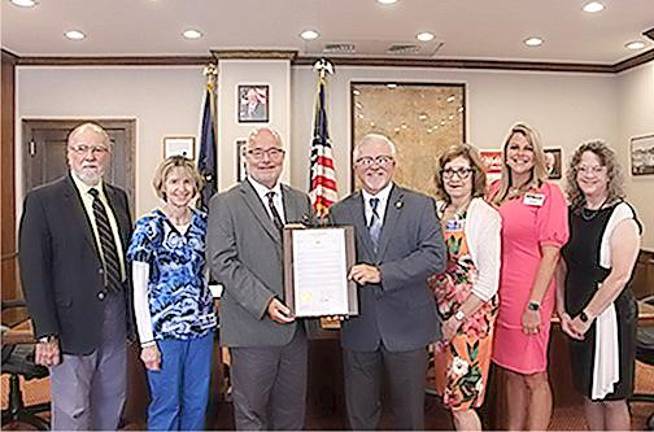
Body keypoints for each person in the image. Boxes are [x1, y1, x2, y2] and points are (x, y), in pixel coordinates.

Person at [18, 122, 133, 430]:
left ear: (108, 155)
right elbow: (33, 271)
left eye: (97, 149)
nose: (89, 156)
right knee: (73, 410)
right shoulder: (43, 200)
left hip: (115, 316)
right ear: (68, 155)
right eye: (81, 149)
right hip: (69, 325)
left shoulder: (119, 199)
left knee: (111, 401)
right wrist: (45, 332)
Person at [329, 133, 446, 430]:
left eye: (381, 159)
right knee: (360, 415)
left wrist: (382, 273)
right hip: (359, 328)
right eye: (366, 160)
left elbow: (435, 257)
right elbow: (332, 264)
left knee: (409, 416)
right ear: (355, 166)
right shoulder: (339, 211)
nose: (374, 167)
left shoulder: (420, 205)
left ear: (393, 165)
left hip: (408, 327)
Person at [207, 127, 313, 430]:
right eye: (257, 152)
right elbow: (221, 262)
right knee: (251, 415)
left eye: (273, 152)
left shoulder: (300, 201)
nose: (265, 159)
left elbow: (314, 253)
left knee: (292, 416)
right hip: (251, 329)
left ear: (282, 156)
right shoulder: (225, 202)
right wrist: (265, 301)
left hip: (296, 331)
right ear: (245, 157)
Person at [127, 156, 217, 430]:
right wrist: (147, 343)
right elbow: (138, 289)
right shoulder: (148, 227)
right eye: (174, 181)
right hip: (163, 333)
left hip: (200, 330)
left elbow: (208, 274)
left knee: (197, 402)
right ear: (162, 186)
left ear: (195, 186)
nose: (181, 188)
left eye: (187, 181)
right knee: (166, 404)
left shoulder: (205, 224)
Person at [488, 123, 569, 430]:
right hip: (500, 295)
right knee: (509, 370)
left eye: (526, 148)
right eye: (514, 147)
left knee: (534, 373)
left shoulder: (549, 194)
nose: (520, 154)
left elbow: (552, 254)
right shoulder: (495, 192)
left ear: (536, 155)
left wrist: (534, 305)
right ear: (505, 153)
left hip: (530, 294)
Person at [557, 141, 641, 430]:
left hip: (608, 318)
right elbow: (562, 264)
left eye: (596, 169)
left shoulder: (622, 216)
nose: (589, 175)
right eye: (582, 168)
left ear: (608, 174)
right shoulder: (573, 213)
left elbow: (619, 276)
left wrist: (586, 317)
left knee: (612, 397)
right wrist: (562, 311)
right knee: (589, 393)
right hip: (575, 315)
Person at [428, 144, 501, 431]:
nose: (455, 178)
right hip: (440, 316)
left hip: (470, 319)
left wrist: (457, 320)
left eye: (462, 171)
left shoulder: (484, 214)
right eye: (449, 171)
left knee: (462, 399)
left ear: (475, 176)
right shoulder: (437, 211)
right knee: (448, 394)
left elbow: (489, 281)